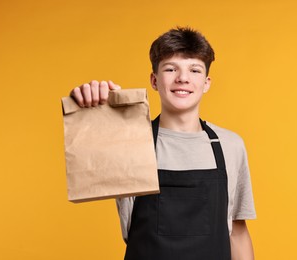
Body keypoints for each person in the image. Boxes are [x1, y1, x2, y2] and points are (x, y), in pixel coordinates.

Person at [70, 27, 256, 260]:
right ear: (154, 80)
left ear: (206, 83)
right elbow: (86, 159)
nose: (183, 78)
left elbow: (237, 233)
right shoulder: (128, 141)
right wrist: (92, 106)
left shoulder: (230, 145)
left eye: (194, 70)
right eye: (170, 68)